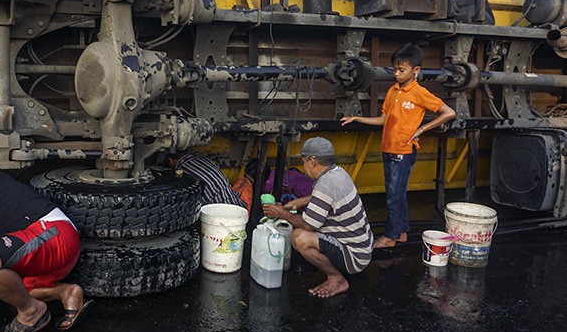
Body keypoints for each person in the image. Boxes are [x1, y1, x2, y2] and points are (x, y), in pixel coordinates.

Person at [340, 43, 457, 249]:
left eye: (401, 70)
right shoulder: (393, 91)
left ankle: (390, 237)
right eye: (394, 69)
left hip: (403, 151)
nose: (396, 74)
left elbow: (448, 112)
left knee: (394, 196)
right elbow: (383, 120)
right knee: (397, 194)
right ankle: (401, 232)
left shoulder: (420, 93)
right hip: (389, 148)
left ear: (416, 71)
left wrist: (421, 130)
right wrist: (357, 118)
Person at [0, 170, 93, 332]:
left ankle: (30, 311)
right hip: (59, 249)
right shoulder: (0, 187)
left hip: (53, 234)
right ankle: (66, 292)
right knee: (9, 288)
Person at [262, 137, 372, 298]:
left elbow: (307, 225)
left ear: (312, 161)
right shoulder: (338, 173)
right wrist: (300, 201)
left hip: (354, 256)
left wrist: (281, 214)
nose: (304, 169)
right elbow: (323, 196)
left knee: (299, 237)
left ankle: (337, 278)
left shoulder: (325, 184)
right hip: (363, 247)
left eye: (304, 162)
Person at [166, 152, 247, 208]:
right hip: (234, 203)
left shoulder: (181, 172)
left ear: (170, 160)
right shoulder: (203, 159)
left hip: (215, 212)